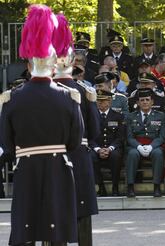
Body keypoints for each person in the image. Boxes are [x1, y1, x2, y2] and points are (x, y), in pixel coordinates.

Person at [0, 5, 83, 245]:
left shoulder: (11, 98)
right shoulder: (69, 97)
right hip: (58, 166)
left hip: (26, 168)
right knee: (56, 229)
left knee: (25, 227)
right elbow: (75, 141)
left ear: (29, 65)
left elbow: (6, 142)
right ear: (54, 64)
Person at [52, 14, 100, 246]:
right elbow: (95, 131)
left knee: (54, 210)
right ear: (73, 62)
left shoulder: (46, 90)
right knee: (82, 213)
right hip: (79, 156)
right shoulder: (84, 91)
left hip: (51, 156)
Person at [125, 88, 165, 197]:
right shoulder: (130, 116)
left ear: (152, 102)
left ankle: (157, 186)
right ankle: (130, 186)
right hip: (136, 145)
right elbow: (129, 137)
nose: (145, 102)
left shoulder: (160, 116)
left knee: (158, 154)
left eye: (147, 100)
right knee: (132, 154)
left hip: (154, 145)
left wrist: (151, 147)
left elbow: (162, 136)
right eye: (142, 100)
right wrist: (138, 147)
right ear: (138, 102)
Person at [90, 89, 125, 197]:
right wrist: (98, 149)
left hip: (112, 148)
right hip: (96, 148)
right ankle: (101, 187)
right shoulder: (91, 116)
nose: (100, 103)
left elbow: (120, 137)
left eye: (103, 100)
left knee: (116, 156)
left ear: (109, 101)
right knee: (91, 157)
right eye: (98, 100)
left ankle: (115, 187)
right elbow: (88, 136)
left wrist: (110, 148)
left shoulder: (118, 116)